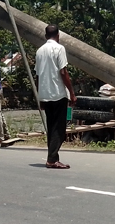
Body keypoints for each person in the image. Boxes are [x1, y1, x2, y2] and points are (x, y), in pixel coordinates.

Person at [35, 24, 76, 169]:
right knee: (59, 129)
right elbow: (63, 72)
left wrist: (40, 96)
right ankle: (52, 160)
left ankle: (52, 157)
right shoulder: (59, 49)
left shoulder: (39, 51)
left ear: (46, 36)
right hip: (58, 94)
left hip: (45, 94)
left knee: (51, 128)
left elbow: (38, 76)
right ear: (58, 35)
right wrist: (71, 92)